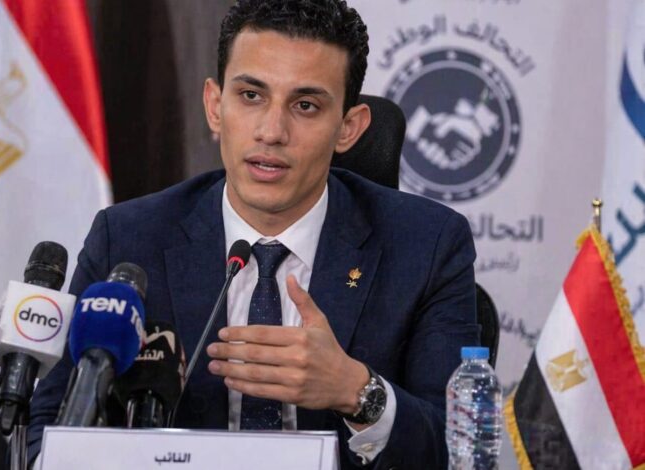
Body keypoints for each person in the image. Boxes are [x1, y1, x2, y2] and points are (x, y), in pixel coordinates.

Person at [27, 1, 479, 468]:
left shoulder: (427, 245)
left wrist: (356, 390)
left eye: (305, 106)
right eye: (250, 95)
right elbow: (46, 434)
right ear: (214, 106)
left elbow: (458, 450)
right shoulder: (127, 239)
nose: (271, 131)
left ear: (348, 128)